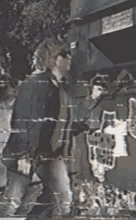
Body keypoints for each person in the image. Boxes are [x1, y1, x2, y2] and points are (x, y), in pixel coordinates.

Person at [0, 37, 73, 217]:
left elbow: (59, 119)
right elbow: (21, 121)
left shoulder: (58, 86)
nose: (70, 58)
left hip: (49, 153)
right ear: (56, 59)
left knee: (65, 199)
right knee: (13, 200)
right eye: (66, 54)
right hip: (27, 153)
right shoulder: (34, 84)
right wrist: (24, 156)